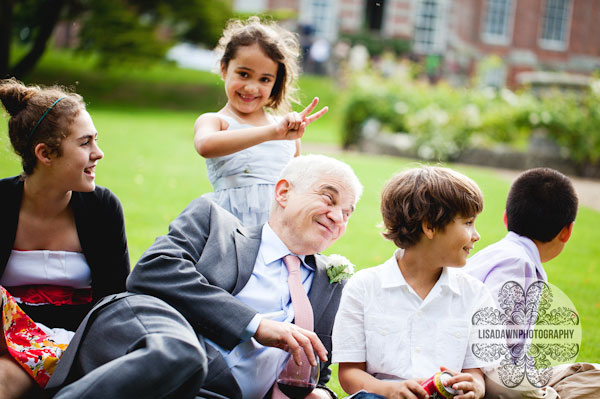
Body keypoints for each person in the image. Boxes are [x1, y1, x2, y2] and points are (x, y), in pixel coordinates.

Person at [46, 154, 363, 399]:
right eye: (328, 198)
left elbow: (314, 369)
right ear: (283, 192)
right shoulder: (216, 225)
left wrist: (320, 392)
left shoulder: (334, 284)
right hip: (173, 380)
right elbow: (153, 270)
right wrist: (255, 325)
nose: (338, 217)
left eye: (348, 212)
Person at [0, 78, 130, 398]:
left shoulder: (102, 209)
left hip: (77, 346)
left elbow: (116, 302)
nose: (98, 153)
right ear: (45, 153)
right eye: (85, 143)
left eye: (95, 140)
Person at [332, 166, 492, 399]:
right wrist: (391, 389)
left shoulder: (475, 295)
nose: (476, 235)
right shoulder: (364, 287)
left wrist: (475, 387)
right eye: (468, 223)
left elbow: (475, 373)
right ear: (430, 227)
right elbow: (349, 373)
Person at [464, 167, 600, 399]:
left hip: (493, 371)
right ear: (567, 232)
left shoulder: (500, 253)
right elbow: (492, 354)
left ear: (506, 217)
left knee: (591, 375)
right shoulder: (518, 265)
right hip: (486, 378)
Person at [194, 16, 328, 226]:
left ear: (275, 82)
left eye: (264, 79)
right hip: (231, 228)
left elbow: (296, 186)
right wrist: (272, 133)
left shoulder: (285, 134)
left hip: (278, 229)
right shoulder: (214, 121)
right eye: (244, 74)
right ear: (223, 68)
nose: (251, 88)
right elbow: (205, 145)